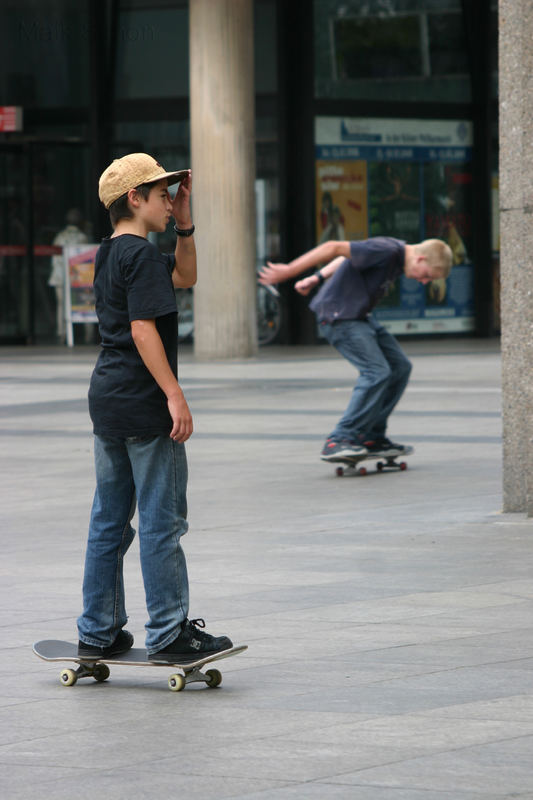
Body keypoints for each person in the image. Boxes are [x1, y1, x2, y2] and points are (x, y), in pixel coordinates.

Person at [77, 152, 232, 660]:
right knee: (162, 522)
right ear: (134, 199)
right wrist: (174, 394)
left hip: (109, 401)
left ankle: (97, 631)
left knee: (109, 521)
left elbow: (185, 277)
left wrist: (185, 226)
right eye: (163, 195)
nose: (169, 202)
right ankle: (169, 632)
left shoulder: (112, 252)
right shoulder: (140, 257)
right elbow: (143, 329)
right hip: (144, 405)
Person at [259, 236, 453, 462]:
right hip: (340, 317)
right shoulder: (387, 250)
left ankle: (372, 437)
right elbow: (334, 247)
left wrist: (317, 277)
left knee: (400, 367)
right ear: (420, 259)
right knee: (376, 372)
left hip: (359, 317)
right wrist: (290, 271)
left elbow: (348, 257)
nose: (424, 282)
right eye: (427, 275)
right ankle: (340, 438)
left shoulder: (398, 255)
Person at [49, 209, 88, 341]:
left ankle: (62, 333)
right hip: (77, 278)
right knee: (85, 303)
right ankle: (88, 334)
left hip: (59, 276)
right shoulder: (82, 237)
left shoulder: (60, 236)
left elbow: (55, 260)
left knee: (61, 305)